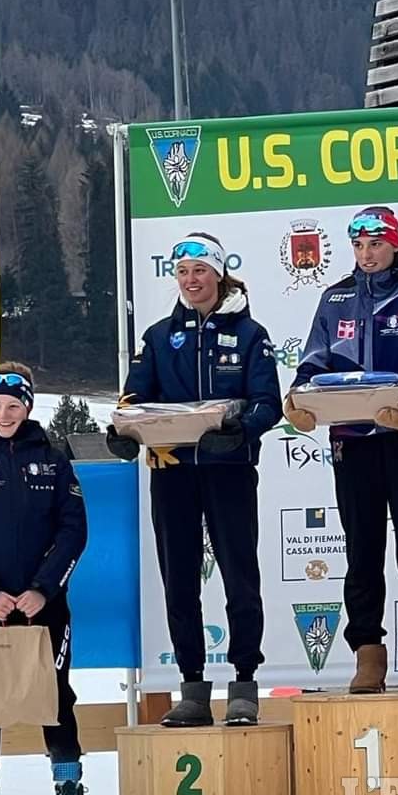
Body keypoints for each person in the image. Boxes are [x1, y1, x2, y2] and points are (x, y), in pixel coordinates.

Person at [107, 232, 281, 727]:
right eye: (183, 273)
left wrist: (239, 430)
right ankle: (192, 689)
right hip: (172, 471)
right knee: (179, 582)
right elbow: (132, 399)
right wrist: (124, 432)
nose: (191, 281)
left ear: (219, 274)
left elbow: (268, 402)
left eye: (200, 271)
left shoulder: (250, 335)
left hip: (229, 470)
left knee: (239, 577)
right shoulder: (160, 337)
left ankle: (244, 685)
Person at [284, 206, 398, 694]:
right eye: (359, 246)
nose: (367, 254)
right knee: (362, 550)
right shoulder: (335, 297)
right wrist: (296, 398)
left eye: (376, 244)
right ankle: (367, 653)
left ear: (395, 244)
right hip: (352, 441)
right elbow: (313, 362)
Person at [0, 362, 95, 795]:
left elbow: (73, 530)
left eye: (12, 405)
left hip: (44, 605)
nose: (3, 414)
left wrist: (43, 589)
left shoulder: (54, 460)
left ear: (28, 406)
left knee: (55, 696)